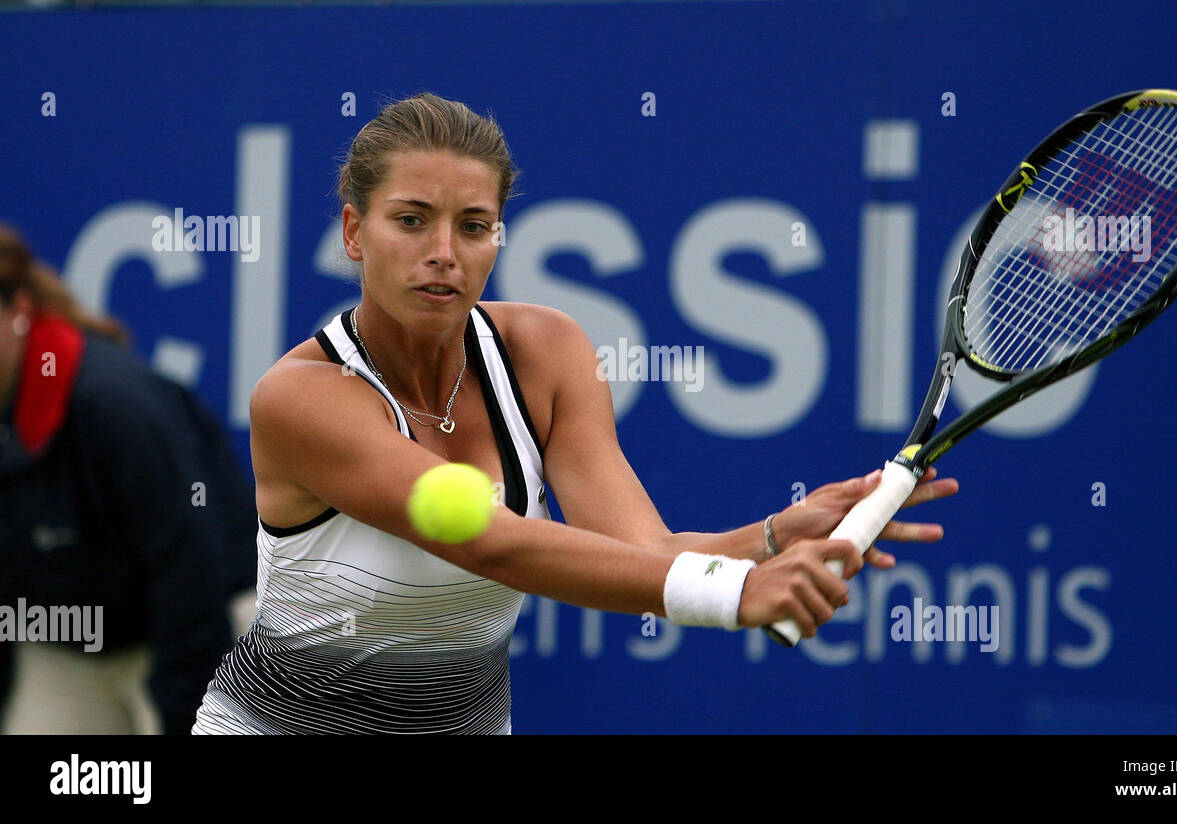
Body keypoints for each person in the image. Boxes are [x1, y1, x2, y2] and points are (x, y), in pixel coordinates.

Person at [193, 92, 958, 735]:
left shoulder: (547, 351)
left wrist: (765, 538)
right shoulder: (300, 397)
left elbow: (647, 550)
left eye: (473, 225)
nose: (444, 253)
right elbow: (489, 544)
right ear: (355, 233)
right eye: (411, 220)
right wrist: (733, 592)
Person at [0, 224, 257, 734]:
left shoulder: (118, 405)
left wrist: (187, 714)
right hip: (66, 648)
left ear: (20, 312)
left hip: (202, 629)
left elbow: (191, 570)